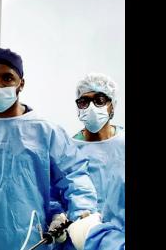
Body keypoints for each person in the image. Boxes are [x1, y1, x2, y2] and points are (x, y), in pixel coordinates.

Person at [0, 48, 98, 250]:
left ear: (21, 83)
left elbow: (73, 175)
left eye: (7, 78)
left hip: (32, 235)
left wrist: (82, 214)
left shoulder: (45, 130)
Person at [50, 73, 125, 250]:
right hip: (76, 240)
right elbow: (53, 194)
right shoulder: (67, 150)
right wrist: (57, 216)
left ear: (111, 106)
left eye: (99, 100)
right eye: (84, 102)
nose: (91, 107)